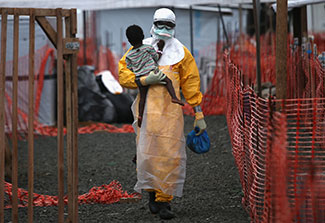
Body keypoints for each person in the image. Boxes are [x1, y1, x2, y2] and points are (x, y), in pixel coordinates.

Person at [119, 8, 207, 220]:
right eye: (161, 24)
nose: (164, 29)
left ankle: (164, 201)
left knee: (169, 156)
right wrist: (141, 81)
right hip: (146, 113)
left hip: (170, 115)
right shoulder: (139, 49)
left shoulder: (181, 53)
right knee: (147, 154)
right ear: (153, 23)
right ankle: (151, 193)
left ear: (174, 27)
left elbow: (191, 83)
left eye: (169, 25)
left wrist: (198, 113)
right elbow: (124, 74)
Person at [125, 24, 184, 127]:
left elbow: (129, 67)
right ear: (143, 36)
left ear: (129, 41)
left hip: (141, 78)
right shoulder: (148, 48)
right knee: (167, 81)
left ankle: (140, 116)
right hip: (153, 73)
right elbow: (156, 57)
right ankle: (174, 97)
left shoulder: (129, 55)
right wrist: (160, 48)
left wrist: (138, 69)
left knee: (142, 98)